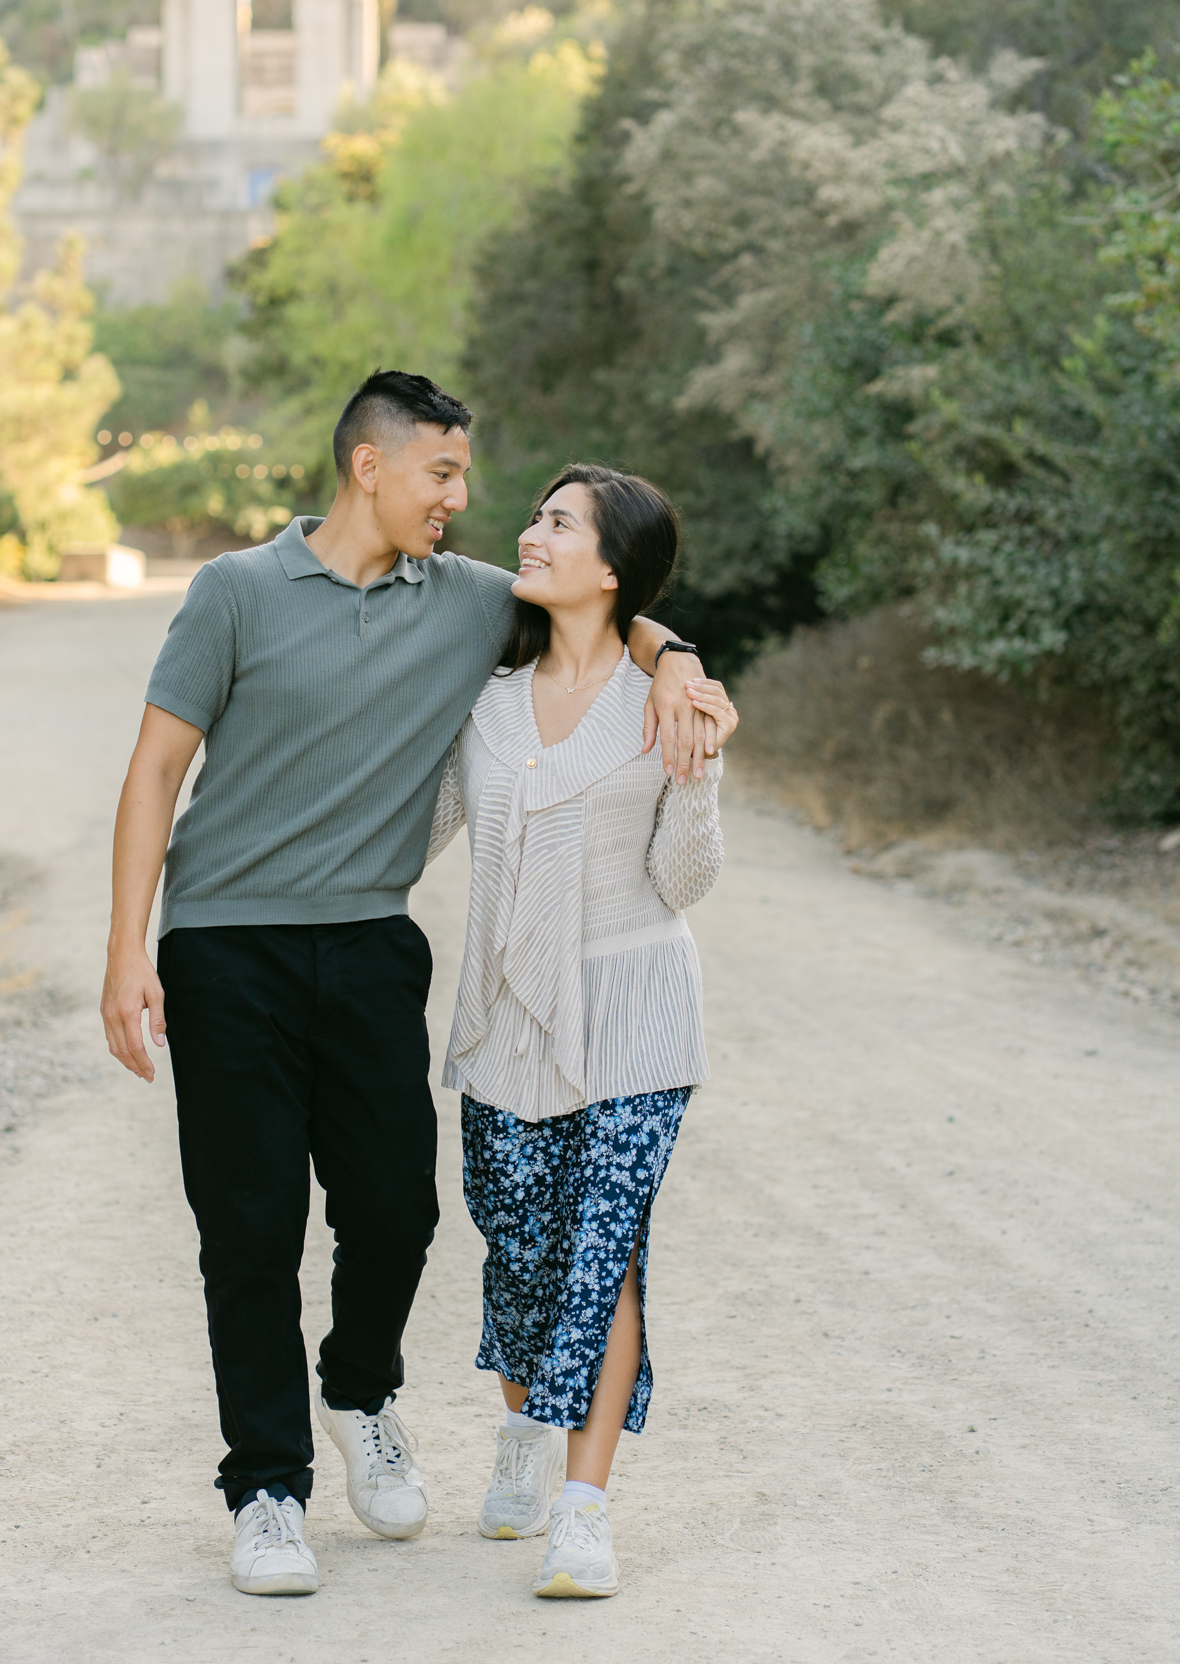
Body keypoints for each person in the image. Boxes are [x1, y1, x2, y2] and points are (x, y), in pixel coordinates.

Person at [99, 373, 712, 1598]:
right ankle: (268, 1488)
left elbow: (612, 602)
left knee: (397, 1210)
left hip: (372, 946)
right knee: (250, 1224)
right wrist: (126, 953)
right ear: (368, 468)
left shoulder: (473, 601)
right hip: (225, 945)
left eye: (469, 480)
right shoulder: (233, 591)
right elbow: (155, 768)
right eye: (442, 475)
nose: (464, 501)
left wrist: (676, 659)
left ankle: (360, 1389)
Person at [425, 463, 737, 1599]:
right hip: (504, 1025)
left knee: (601, 1258)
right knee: (516, 1251)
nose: (530, 531)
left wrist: (695, 770)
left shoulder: (656, 700)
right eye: (536, 516)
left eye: (558, 522)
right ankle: (517, 1431)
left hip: (637, 1024)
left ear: (611, 567)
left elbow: (680, 876)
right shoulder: (485, 699)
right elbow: (417, 835)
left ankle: (583, 1508)